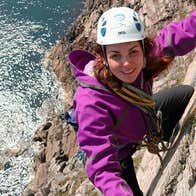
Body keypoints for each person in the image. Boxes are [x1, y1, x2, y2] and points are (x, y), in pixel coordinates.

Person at [68, 7, 195, 196]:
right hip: (119, 154)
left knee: (185, 93)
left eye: (133, 51)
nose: (127, 63)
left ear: (143, 48)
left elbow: (174, 37)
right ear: (103, 56)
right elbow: (102, 166)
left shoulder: (144, 60)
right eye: (115, 55)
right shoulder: (91, 101)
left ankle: (161, 136)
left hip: (141, 118)